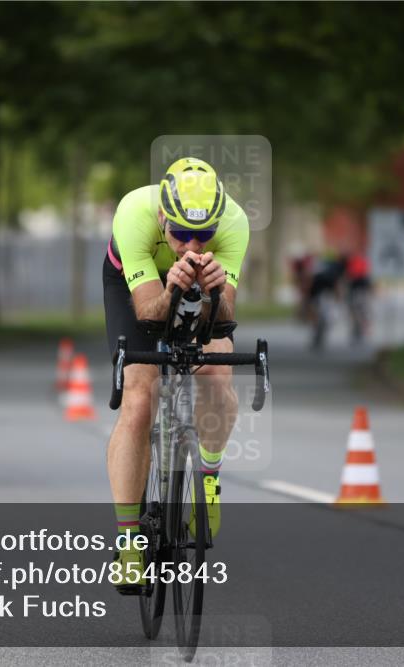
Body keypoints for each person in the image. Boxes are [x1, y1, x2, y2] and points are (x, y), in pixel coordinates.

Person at [103, 157, 249, 593]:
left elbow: (223, 320)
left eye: (203, 235)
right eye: (181, 233)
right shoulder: (134, 213)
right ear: (163, 218)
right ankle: (129, 543)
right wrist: (171, 290)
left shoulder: (234, 224)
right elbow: (148, 315)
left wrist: (215, 292)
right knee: (139, 399)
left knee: (217, 375)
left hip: (203, 289)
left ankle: (209, 479)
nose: (191, 245)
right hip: (139, 286)